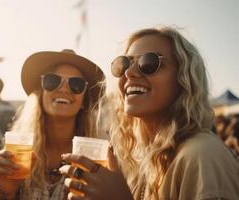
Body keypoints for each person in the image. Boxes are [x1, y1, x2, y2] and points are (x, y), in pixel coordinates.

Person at [60, 27, 239, 200]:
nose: (129, 72)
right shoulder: (140, 157)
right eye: (124, 64)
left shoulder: (201, 155)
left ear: (184, 79)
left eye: (149, 63)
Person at [0, 49, 105, 200]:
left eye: (76, 84)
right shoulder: (20, 151)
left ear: (84, 101)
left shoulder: (97, 160)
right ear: (41, 94)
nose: (63, 88)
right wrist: (6, 195)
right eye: (52, 81)